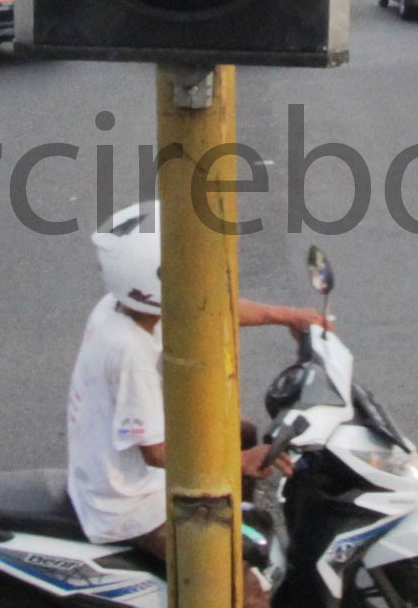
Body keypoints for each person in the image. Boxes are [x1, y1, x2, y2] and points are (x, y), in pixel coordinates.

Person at [70, 203, 324, 604]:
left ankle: (233, 516)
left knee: (240, 430)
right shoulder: (130, 351)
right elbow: (155, 453)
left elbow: (210, 311)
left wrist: (288, 316)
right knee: (246, 593)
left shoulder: (126, 307)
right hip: (129, 504)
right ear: (156, 280)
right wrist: (236, 461)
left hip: (119, 465)